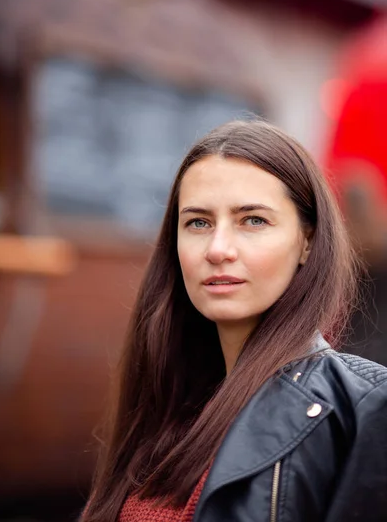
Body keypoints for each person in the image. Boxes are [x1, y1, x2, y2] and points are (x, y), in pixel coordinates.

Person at [81, 120, 387, 522]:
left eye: (253, 220)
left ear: (307, 242)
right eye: (198, 223)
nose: (218, 248)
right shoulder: (166, 398)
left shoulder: (360, 409)